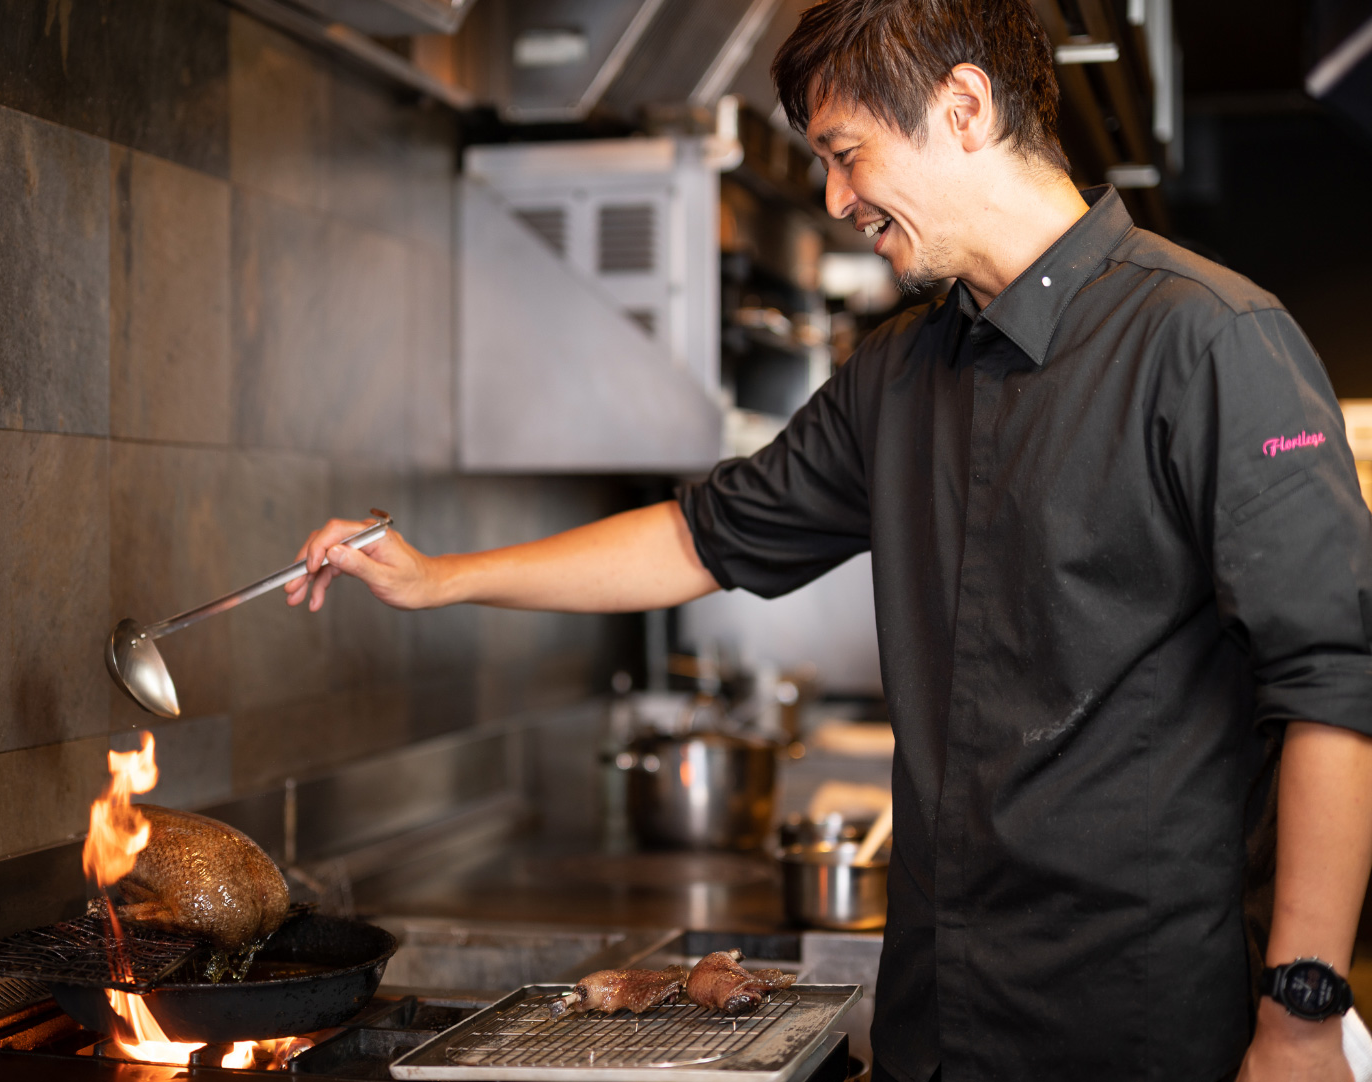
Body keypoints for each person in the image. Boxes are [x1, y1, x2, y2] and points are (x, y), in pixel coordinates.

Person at [287, 2, 1372, 1078]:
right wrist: (437, 579)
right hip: (933, 1030)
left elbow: (1336, 684)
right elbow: (700, 535)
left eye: (845, 154)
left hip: (1137, 1035)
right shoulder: (899, 373)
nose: (834, 196)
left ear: (961, 108)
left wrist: (1302, 1017)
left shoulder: (1209, 339)